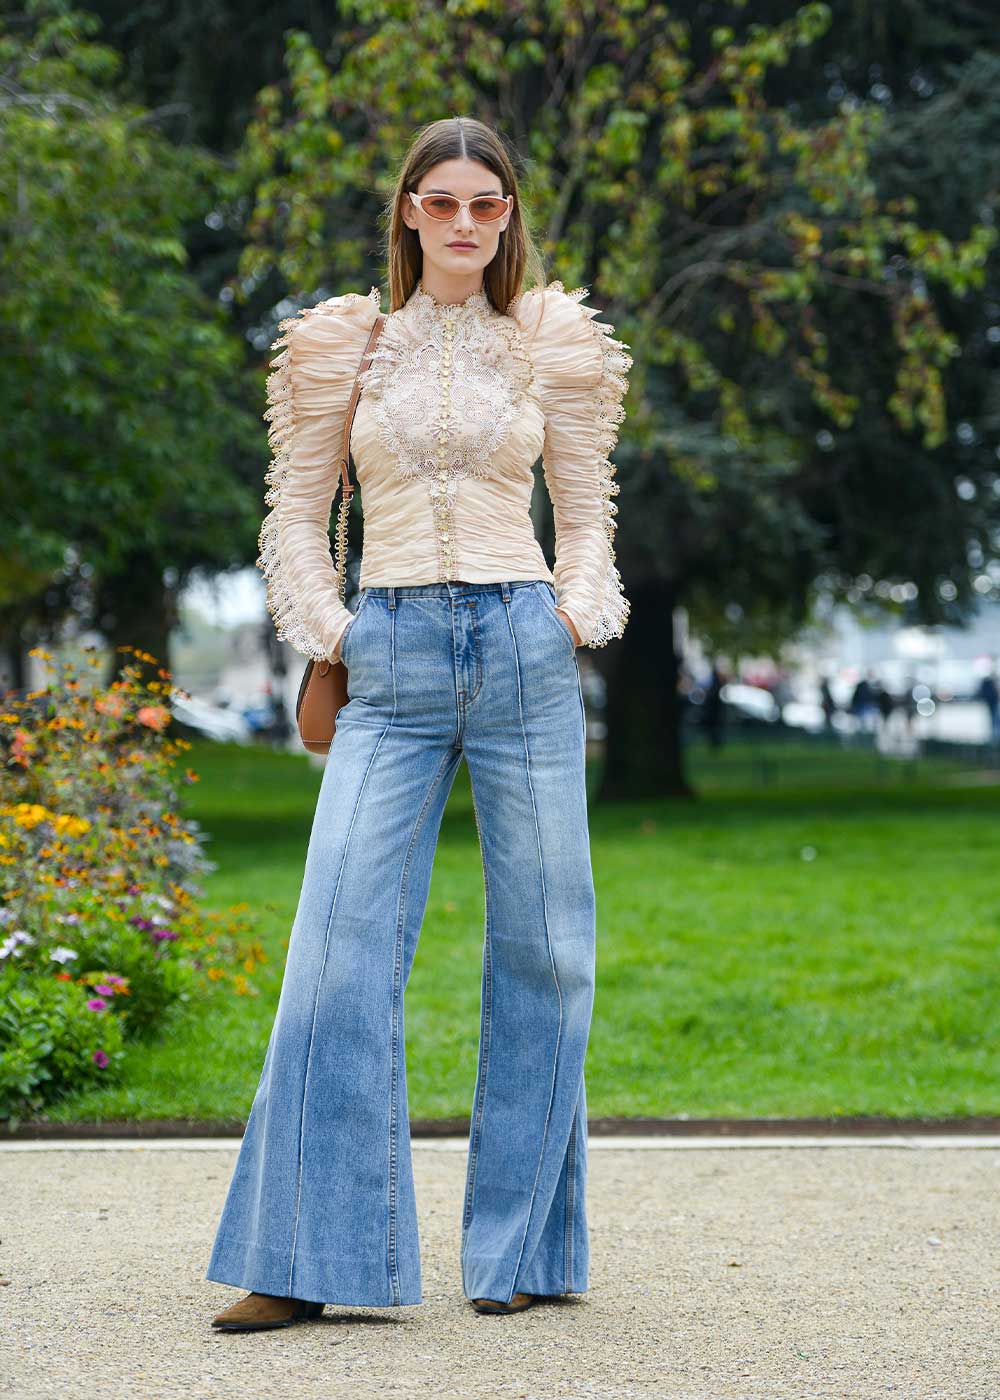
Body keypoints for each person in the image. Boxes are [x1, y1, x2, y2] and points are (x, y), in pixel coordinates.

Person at [204, 115, 632, 1330]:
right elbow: (295, 517)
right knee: (335, 943)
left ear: (508, 216)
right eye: (439, 201)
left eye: (484, 204)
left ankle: (523, 1251)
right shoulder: (345, 345)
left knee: (545, 947)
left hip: (519, 644)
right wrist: (337, 631)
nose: (462, 223)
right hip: (387, 652)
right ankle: (305, 1258)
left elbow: (586, 516)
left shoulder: (547, 343)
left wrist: (568, 613)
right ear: (407, 210)